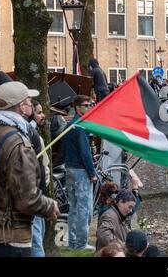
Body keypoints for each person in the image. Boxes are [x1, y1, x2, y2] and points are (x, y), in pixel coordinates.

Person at [0, 82, 59, 257]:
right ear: (22, 107)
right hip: (10, 236)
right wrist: (50, 206)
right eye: (29, 101)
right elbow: (27, 199)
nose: (30, 105)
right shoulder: (19, 144)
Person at [63, 95, 98, 250]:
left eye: (90, 104)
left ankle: (72, 242)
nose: (89, 107)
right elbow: (85, 153)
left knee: (74, 208)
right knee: (84, 208)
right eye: (86, 105)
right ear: (77, 107)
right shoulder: (81, 127)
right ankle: (81, 243)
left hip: (69, 168)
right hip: (80, 171)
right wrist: (92, 173)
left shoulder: (70, 125)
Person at [30, 100, 52, 257]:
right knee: (36, 238)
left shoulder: (35, 134)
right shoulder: (30, 135)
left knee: (40, 232)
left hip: (40, 193)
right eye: (38, 112)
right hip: (34, 194)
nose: (43, 115)